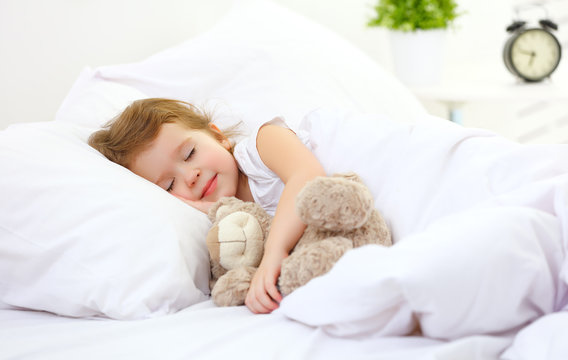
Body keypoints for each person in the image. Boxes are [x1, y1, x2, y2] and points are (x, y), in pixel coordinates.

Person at [88, 98, 326, 314]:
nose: (191, 176)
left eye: (190, 153)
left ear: (218, 137)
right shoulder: (226, 226)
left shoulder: (262, 145)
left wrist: (276, 250)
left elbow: (308, 178)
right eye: (170, 185)